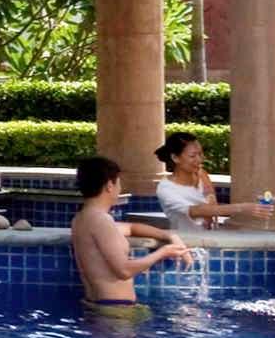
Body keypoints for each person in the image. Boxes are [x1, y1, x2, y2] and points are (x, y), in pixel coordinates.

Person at [71, 155, 196, 307]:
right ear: (110, 185)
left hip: (99, 304)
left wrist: (168, 235)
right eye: (118, 182)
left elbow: (131, 228)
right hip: (115, 310)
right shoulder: (100, 221)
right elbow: (123, 270)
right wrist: (163, 252)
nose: (120, 187)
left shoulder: (83, 218)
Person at [151, 131, 259, 229]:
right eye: (193, 156)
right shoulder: (166, 188)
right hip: (186, 244)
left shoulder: (200, 173)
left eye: (200, 154)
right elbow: (196, 210)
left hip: (209, 241)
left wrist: (211, 203)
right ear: (175, 158)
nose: (200, 159)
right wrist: (242, 208)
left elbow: (210, 198)